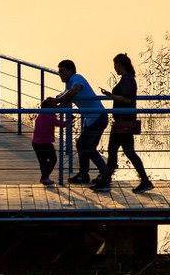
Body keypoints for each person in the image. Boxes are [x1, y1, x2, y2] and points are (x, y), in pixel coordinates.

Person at [95, 53, 154, 193]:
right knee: (126, 151)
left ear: (120, 65)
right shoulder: (128, 79)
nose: (114, 68)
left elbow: (127, 100)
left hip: (123, 121)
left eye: (115, 65)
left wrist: (110, 95)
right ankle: (144, 181)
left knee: (115, 150)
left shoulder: (127, 79)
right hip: (124, 120)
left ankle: (106, 181)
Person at [53, 59, 108, 185]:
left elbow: (75, 90)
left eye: (62, 71)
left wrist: (58, 101)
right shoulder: (68, 86)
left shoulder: (77, 78)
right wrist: (53, 104)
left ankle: (85, 174)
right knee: (89, 147)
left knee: (82, 145)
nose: (60, 74)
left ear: (71, 70)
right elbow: (64, 100)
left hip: (98, 117)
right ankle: (103, 172)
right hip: (92, 118)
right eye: (59, 72)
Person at [32, 97, 70, 185]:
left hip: (36, 142)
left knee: (43, 161)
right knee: (53, 159)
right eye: (53, 106)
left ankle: (45, 177)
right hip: (45, 143)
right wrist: (70, 119)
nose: (55, 108)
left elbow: (58, 110)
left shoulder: (41, 115)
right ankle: (44, 177)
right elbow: (62, 124)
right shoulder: (51, 118)